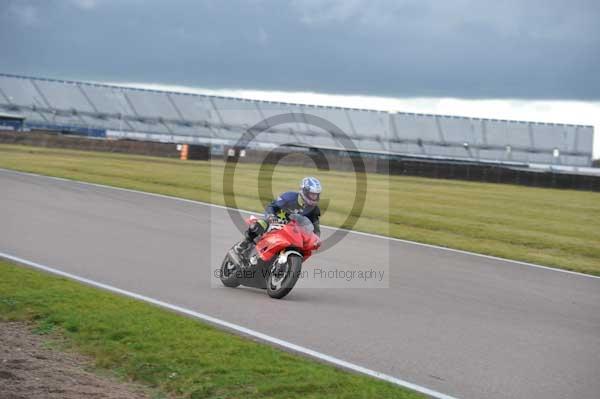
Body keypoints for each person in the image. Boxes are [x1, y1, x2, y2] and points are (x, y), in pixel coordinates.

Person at [234, 176, 322, 254]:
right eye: (312, 194)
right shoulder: (289, 197)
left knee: (305, 246)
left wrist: (316, 239)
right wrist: (270, 216)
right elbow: (272, 206)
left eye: (316, 195)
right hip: (275, 221)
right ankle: (244, 244)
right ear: (304, 191)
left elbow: (316, 227)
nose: (314, 197)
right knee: (261, 225)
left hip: (293, 230)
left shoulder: (314, 209)